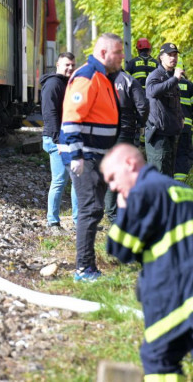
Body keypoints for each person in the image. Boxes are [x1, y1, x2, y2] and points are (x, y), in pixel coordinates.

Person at [101, 144, 193, 381]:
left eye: (112, 177)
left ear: (130, 164)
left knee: (164, 362)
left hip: (188, 295)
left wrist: (123, 210)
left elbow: (120, 249)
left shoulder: (144, 192)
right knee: (169, 360)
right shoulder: (184, 191)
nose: (113, 187)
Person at [59, 32, 123, 281]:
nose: (121, 58)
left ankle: (87, 266)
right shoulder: (88, 76)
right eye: (118, 52)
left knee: (93, 209)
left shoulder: (102, 76)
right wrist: (76, 154)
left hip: (94, 154)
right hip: (84, 154)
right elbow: (72, 116)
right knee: (89, 209)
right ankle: (83, 268)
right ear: (104, 53)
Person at [105, 66, 149, 224]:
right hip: (124, 132)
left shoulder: (100, 80)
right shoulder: (129, 81)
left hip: (103, 132)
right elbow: (143, 107)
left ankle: (111, 212)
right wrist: (139, 124)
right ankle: (117, 213)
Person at [40, 52, 77, 229]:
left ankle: (79, 221)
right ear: (58, 65)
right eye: (66, 65)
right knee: (60, 180)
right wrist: (58, 140)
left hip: (69, 138)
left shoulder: (68, 84)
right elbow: (50, 113)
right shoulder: (53, 84)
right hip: (58, 139)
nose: (70, 68)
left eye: (72, 65)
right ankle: (52, 220)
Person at [145, 42, 185, 178]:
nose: (173, 58)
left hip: (171, 133)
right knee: (159, 176)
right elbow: (152, 92)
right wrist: (174, 79)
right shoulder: (155, 75)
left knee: (168, 176)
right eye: (169, 55)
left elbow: (175, 103)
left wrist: (181, 118)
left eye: (175, 55)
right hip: (158, 135)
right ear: (161, 57)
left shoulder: (171, 76)